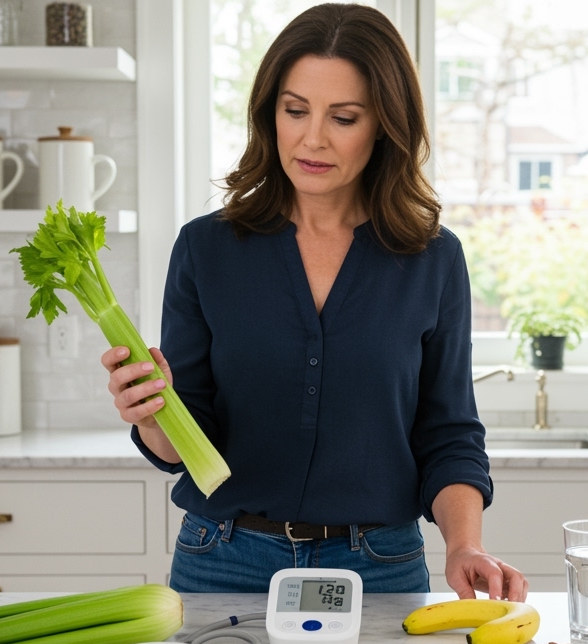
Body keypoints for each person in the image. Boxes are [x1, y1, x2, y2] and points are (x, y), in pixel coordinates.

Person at [103, 3, 527, 601]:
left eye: (344, 117)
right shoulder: (206, 248)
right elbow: (184, 446)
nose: (313, 138)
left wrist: (464, 544)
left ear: (383, 124)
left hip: (379, 566)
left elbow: (449, 430)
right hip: (222, 560)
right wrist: (151, 416)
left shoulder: (432, 258)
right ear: (269, 112)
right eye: (295, 110)